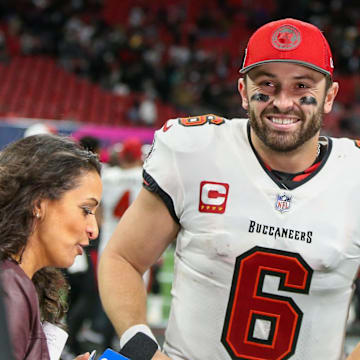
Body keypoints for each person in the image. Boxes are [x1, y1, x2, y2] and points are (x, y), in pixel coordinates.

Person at [97, 18, 360, 360]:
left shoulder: (352, 174)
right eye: (267, 84)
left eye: (302, 87)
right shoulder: (195, 152)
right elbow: (123, 258)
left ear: (329, 96)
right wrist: (143, 349)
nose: (283, 102)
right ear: (243, 92)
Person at [0, 134, 102, 360]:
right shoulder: (10, 287)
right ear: (38, 203)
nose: (93, 229)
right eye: (86, 210)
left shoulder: (16, 281)